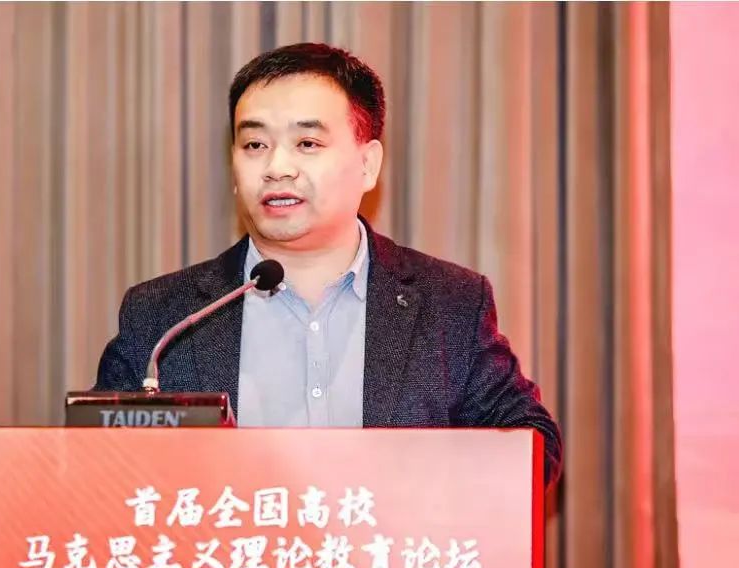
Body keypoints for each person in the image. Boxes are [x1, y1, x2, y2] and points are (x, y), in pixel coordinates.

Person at [94, 42, 563, 487]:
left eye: (307, 143)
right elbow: (94, 470)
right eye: (254, 145)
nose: (277, 167)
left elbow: (532, 446)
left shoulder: (449, 303)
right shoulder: (163, 315)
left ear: (368, 164)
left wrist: (419, 494)